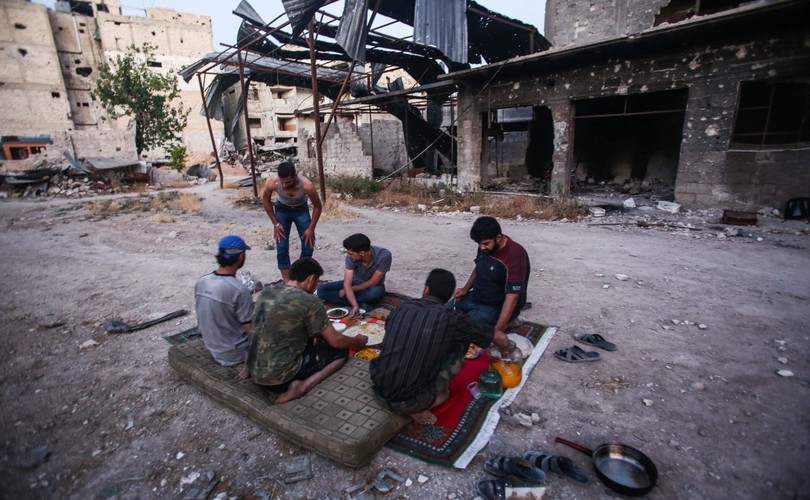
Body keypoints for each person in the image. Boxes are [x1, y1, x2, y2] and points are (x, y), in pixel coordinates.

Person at [370, 269, 509, 424]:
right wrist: (508, 349)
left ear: (426, 288)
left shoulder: (403, 307)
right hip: (410, 401)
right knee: (459, 344)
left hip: (379, 389)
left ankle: (406, 402)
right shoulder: (453, 318)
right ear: (449, 296)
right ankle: (413, 408)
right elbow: (499, 338)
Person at [247, 257, 368, 404]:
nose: (316, 286)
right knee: (341, 351)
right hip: (279, 379)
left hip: (254, 370)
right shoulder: (308, 301)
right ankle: (303, 387)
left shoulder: (266, 293)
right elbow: (336, 341)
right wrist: (357, 340)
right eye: (316, 282)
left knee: (312, 335)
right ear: (311, 279)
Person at [453, 216, 531, 340]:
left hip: (496, 305)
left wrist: (498, 331)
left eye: (485, 244)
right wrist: (465, 289)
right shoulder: (485, 248)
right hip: (476, 297)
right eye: (479, 244)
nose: (482, 247)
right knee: (445, 312)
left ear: (498, 238)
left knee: (467, 328)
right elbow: (478, 267)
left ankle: (508, 321)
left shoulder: (515, 254)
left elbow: (512, 297)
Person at [194, 235, 254, 368]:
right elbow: (252, 332)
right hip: (234, 354)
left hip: (212, 346)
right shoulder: (239, 290)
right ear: (240, 257)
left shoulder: (202, 281)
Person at [262, 162, 323, 282]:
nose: (284, 185)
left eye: (288, 182)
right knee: (282, 245)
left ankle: (299, 275)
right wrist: (276, 224)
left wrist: (311, 228)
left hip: (301, 210)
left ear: (295, 176)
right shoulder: (272, 182)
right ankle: (287, 281)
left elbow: (317, 206)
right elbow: (265, 201)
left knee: (308, 245)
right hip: (282, 210)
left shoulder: (307, 185)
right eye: (282, 182)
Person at [315, 233, 392, 317]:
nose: (348, 256)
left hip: (372, 287)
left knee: (375, 293)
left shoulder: (384, 256)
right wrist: (355, 306)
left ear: (362, 253)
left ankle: (353, 299)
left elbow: (372, 282)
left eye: (351, 254)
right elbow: (347, 283)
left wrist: (349, 290)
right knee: (321, 290)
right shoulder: (351, 257)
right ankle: (361, 303)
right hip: (355, 282)